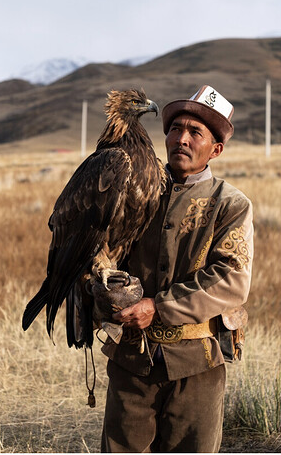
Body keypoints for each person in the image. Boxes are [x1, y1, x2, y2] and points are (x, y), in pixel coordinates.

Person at [99, 85, 254, 452]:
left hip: (196, 365)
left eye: (195, 132)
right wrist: (103, 290)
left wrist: (159, 307)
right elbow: (103, 252)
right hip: (132, 361)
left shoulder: (229, 204)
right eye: (174, 129)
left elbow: (231, 281)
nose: (181, 139)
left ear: (215, 149)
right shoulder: (136, 188)